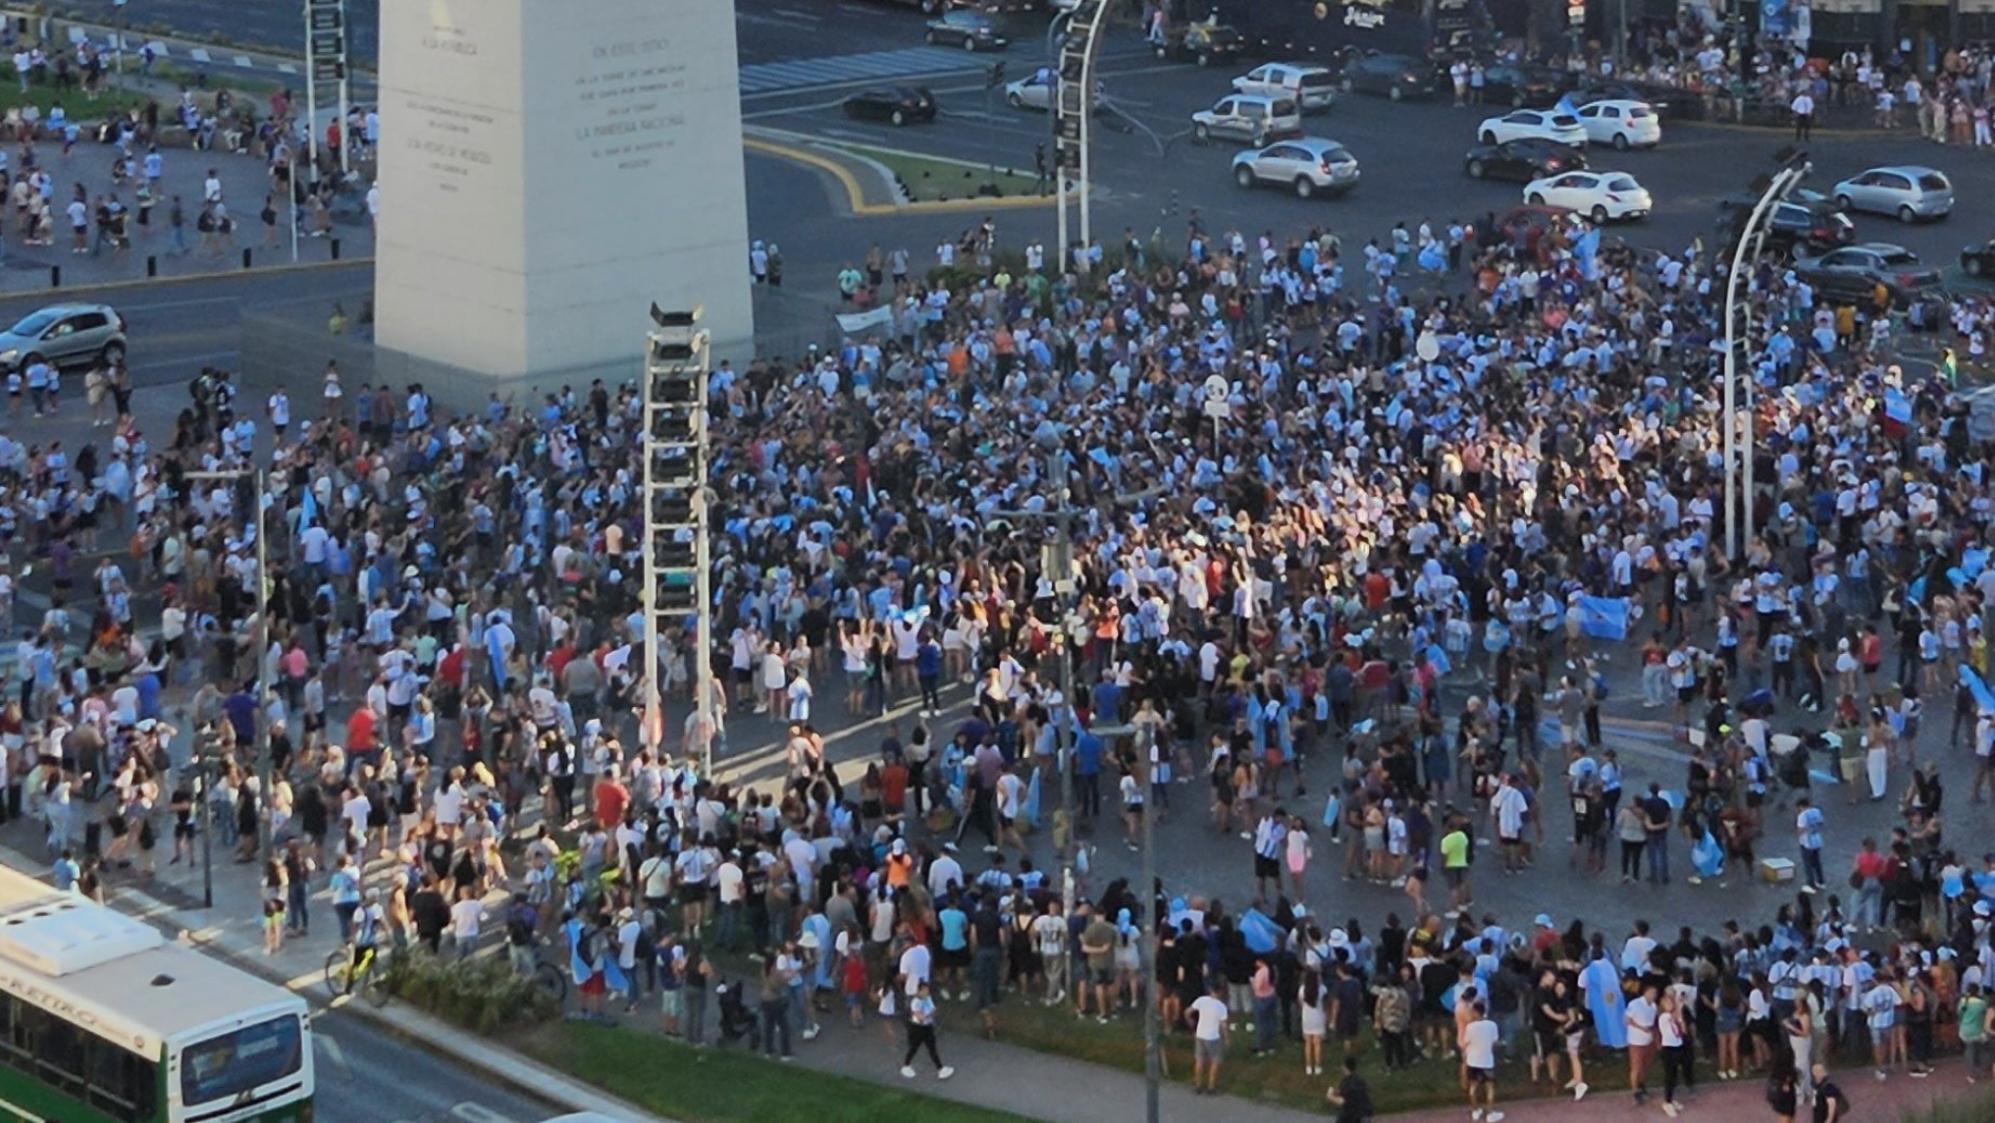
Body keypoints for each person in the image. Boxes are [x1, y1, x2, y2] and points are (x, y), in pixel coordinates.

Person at [899, 979, 953, 1079]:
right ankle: (906, 1065)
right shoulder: (915, 1002)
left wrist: (928, 1015)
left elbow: (932, 1011)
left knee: (932, 1048)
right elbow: (920, 1018)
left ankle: (940, 1069)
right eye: (925, 990)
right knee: (914, 1047)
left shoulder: (928, 998)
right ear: (919, 991)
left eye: (927, 990)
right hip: (917, 1028)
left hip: (927, 1027)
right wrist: (929, 1014)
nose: (927, 992)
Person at [1461, 1000, 1503, 1120]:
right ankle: (1490, 1113)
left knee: (1473, 1086)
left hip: (1472, 1060)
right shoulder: (1492, 1025)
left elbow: (1465, 1042)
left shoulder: (1470, 1027)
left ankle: (1475, 1110)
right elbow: (1494, 1041)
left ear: (1475, 1012)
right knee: (1489, 1087)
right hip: (1487, 1060)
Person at [1188, 982, 1229, 1095]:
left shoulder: (1201, 1000)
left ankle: (1198, 1085)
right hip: (1213, 1037)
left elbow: (1188, 1012)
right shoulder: (1221, 1007)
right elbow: (1223, 1026)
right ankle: (1211, 1087)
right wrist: (1226, 1039)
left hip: (1200, 1034)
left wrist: (1191, 1023)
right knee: (1215, 1061)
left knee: (1199, 1060)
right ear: (1220, 992)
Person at [1326, 1054, 1374, 1123]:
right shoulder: (1359, 1079)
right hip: (1365, 1114)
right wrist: (1335, 1091)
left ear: (1345, 1067)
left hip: (1353, 1115)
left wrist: (1330, 1096)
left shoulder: (1347, 1083)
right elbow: (1343, 1092)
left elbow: (1342, 1101)